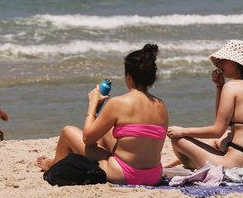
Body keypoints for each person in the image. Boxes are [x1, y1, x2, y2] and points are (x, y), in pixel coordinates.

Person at [36, 44, 169, 186]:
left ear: (128, 78)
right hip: (154, 176)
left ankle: (54, 164)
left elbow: (87, 139)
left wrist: (93, 104)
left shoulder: (118, 103)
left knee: (67, 132)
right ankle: (58, 160)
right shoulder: (161, 106)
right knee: (106, 132)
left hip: (125, 174)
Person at [167, 40, 243, 175]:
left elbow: (217, 129)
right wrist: (219, 86)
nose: (219, 63)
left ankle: (191, 165)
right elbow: (222, 124)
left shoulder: (232, 86)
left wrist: (183, 131)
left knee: (178, 139)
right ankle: (173, 163)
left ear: (237, 62)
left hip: (240, 164)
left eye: (224, 60)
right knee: (221, 139)